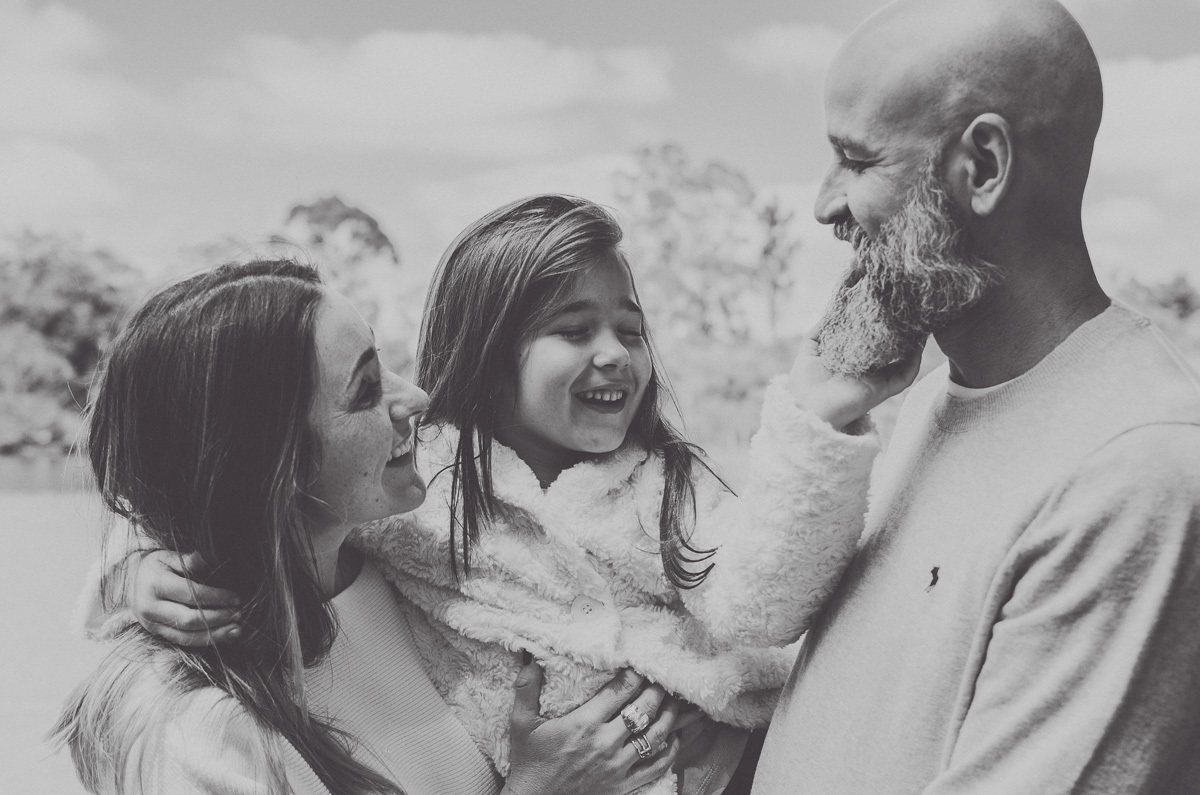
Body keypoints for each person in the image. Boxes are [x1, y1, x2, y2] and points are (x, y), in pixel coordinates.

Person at [115, 195, 917, 794]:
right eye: (364, 389)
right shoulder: (205, 725)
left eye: (631, 330)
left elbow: (756, 589)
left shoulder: (650, 491)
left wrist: (819, 415)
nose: (416, 398)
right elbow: (194, 481)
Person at [750, 0, 1200, 792]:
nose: (824, 204)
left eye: (857, 161)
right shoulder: (932, 398)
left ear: (984, 165)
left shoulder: (1139, 469)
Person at [55, 260, 684, 795]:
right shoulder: (193, 730)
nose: (416, 397)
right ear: (273, 465)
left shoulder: (409, 566)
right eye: (363, 390)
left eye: (384, 363)